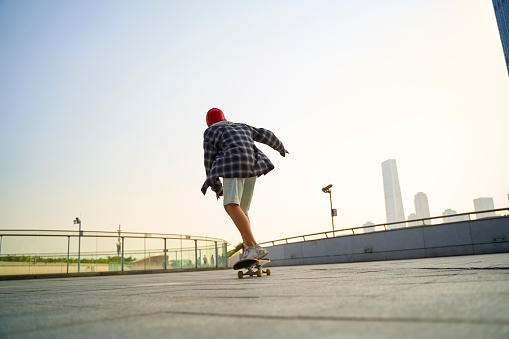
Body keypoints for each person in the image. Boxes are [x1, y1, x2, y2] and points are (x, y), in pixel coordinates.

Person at [201, 108, 288, 261]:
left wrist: (216, 186)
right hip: (252, 167)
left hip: (232, 166)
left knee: (230, 205)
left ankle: (254, 247)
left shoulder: (211, 132)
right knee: (242, 210)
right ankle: (250, 248)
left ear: (209, 124)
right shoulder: (242, 126)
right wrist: (280, 147)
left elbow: (209, 160)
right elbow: (266, 134)